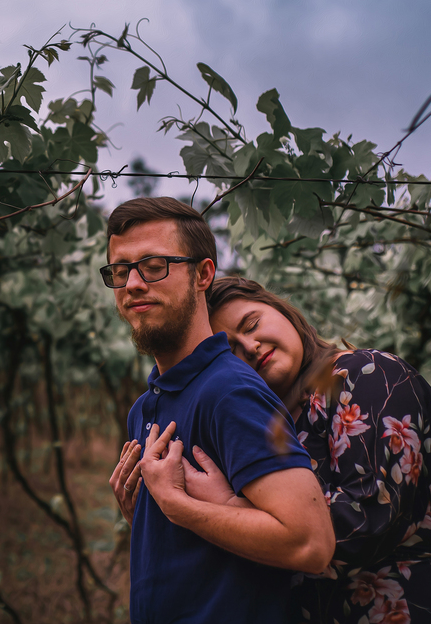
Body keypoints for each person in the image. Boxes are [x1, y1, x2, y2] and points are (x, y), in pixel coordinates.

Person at [183, 275, 431, 624]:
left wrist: (226, 508)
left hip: (409, 607)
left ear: (283, 311)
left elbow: (368, 520)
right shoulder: (270, 428)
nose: (250, 346)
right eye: (232, 351)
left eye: (251, 324)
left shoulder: (367, 375)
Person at [103, 197, 335, 624]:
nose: (133, 283)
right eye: (121, 271)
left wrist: (177, 507)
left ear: (202, 274)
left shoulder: (229, 391)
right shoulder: (144, 408)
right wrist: (148, 520)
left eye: (154, 265)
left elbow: (310, 543)